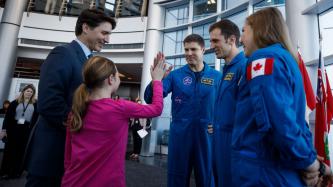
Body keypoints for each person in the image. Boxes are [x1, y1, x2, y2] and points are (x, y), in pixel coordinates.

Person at [232, 7, 332, 186]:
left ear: (260, 30)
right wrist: (308, 161)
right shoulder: (285, 59)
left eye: (244, 32)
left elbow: (278, 122)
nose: (240, 40)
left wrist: (311, 164)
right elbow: (295, 121)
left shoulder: (263, 59)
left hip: (265, 172)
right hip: (279, 168)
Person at [26, 9, 116, 187]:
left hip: (73, 158)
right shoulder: (63, 53)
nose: (107, 39)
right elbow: (49, 103)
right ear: (85, 28)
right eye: (104, 33)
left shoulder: (89, 61)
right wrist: (85, 127)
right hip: (52, 155)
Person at [61, 55, 165, 186]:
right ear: (111, 79)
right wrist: (157, 80)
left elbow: (68, 157)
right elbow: (156, 108)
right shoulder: (120, 108)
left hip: (72, 182)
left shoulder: (76, 110)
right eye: (118, 75)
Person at [144, 34, 222, 186]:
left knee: (207, 179)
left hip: (206, 136)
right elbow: (150, 98)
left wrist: (220, 123)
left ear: (203, 50)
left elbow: (227, 104)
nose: (189, 53)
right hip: (180, 136)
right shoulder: (175, 76)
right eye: (186, 49)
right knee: (176, 179)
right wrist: (156, 80)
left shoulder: (217, 77)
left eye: (193, 49)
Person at [209, 19, 247, 187]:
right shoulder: (226, 70)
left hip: (234, 146)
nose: (211, 45)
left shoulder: (244, 66)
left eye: (215, 40)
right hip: (220, 143)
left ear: (232, 40)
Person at [0, 84, 38, 179]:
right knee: (9, 150)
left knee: (21, 152)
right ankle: (5, 172)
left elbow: (36, 119)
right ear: (23, 91)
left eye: (31, 92)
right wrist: (4, 130)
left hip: (26, 130)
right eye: (27, 91)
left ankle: (16, 172)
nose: (29, 93)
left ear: (33, 94)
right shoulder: (14, 103)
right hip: (14, 128)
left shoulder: (35, 104)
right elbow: (8, 117)